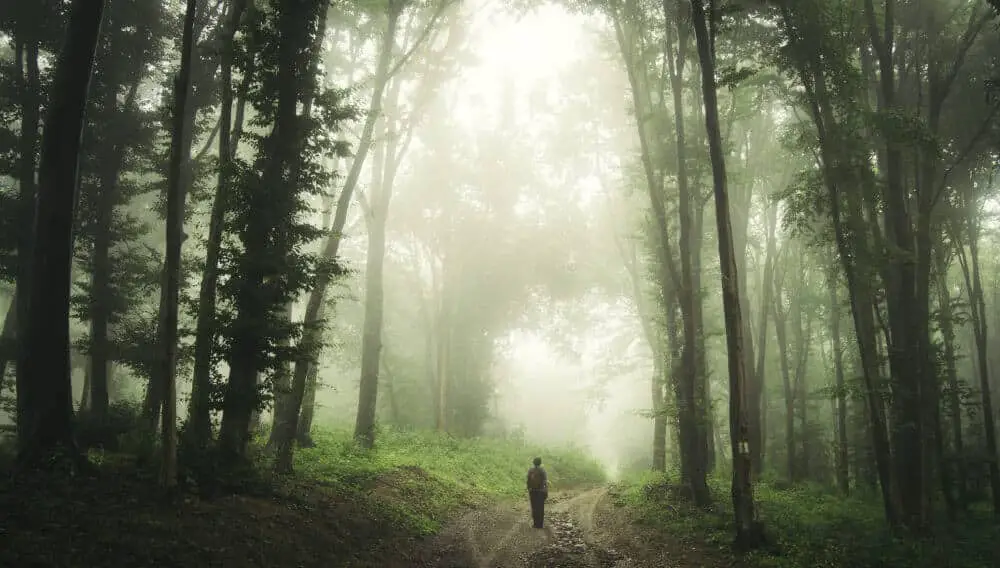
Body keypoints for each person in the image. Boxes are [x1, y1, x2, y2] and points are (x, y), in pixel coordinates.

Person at [526, 456, 548, 528]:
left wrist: (529, 488)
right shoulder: (542, 470)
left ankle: (535, 524)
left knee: (534, 507)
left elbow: (528, 480)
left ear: (533, 462)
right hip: (540, 491)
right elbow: (545, 481)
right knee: (540, 508)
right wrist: (546, 491)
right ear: (540, 463)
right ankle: (540, 524)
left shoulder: (531, 470)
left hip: (532, 491)